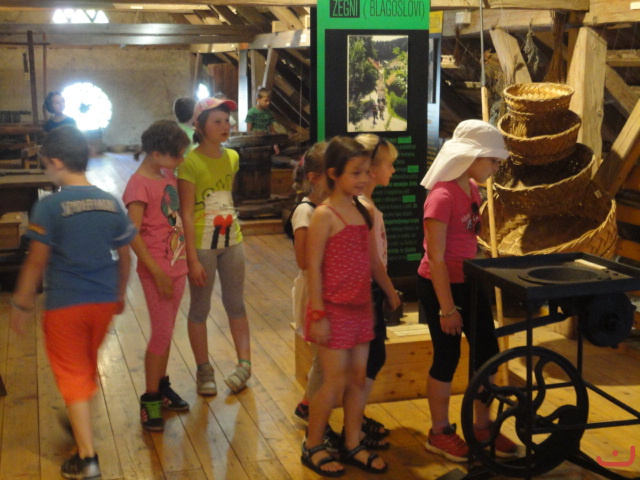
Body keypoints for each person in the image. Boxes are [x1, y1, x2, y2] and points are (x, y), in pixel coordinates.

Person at [9, 125, 136, 479]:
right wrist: (120, 294)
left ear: (56, 162)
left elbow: (36, 262)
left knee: (73, 374)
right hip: (103, 303)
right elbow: (125, 257)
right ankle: (77, 419)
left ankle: (87, 459)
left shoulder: (49, 207)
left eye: (45, 164)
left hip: (66, 306)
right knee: (85, 366)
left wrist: (20, 304)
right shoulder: (110, 202)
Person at [417, 119, 517, 462]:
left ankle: (482, 426)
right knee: (447, 358)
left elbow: (470, 237)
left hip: (469, 282)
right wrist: (447, 309)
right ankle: (439, 431)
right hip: (440, 286)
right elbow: (436, 258)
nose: (496, 167)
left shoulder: (472, 189)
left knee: (487, 355)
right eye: (492, 160)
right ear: (471, 156)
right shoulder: (441, 196)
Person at [301, 136, 400, 477]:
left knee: (358, 378)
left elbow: (372, 260)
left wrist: (389, 290)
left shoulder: (362, 211)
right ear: (334, 173)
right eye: (355, 173)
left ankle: (353, 442)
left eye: (366, 172)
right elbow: (313, 267)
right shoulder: (324, 215)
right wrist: (317, 313)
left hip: (360, 308)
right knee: (334, 381)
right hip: (332, 310)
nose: (363, 179)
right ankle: (313, 444)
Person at [177, 97, 252, 396]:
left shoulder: (232, 157)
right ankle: (203, 369)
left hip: (232, 239)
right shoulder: (189, 163)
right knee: (200, 308)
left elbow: (226, 196)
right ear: (199, 126)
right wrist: (191, 259)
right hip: (202, 245)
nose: (225, 126)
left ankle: (244, 364)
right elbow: (185, 212)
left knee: (236, 304)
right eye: (217, 121)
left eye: (227, 120)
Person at [122, 120, 191, 432]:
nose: (182, 160)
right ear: (157, 154)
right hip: (158, 272)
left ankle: (161, 387)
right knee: (161, 335)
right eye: (178, 155)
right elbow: (132, 234)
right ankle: (150, 399)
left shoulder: (167, 176)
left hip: (177, 266)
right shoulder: (138, 185)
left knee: (166, 331)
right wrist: (156, 271)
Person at [353, 134, 399, 446]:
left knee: (369, 358)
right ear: (372, 170)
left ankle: (355, 419)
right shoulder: (364, 207)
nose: (393, 170)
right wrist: (391, 292)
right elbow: (372, 261)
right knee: (371, 357)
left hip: (366, 290)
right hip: (367, 290)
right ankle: (353, 424)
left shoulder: (363, 204)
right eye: (389, 165)